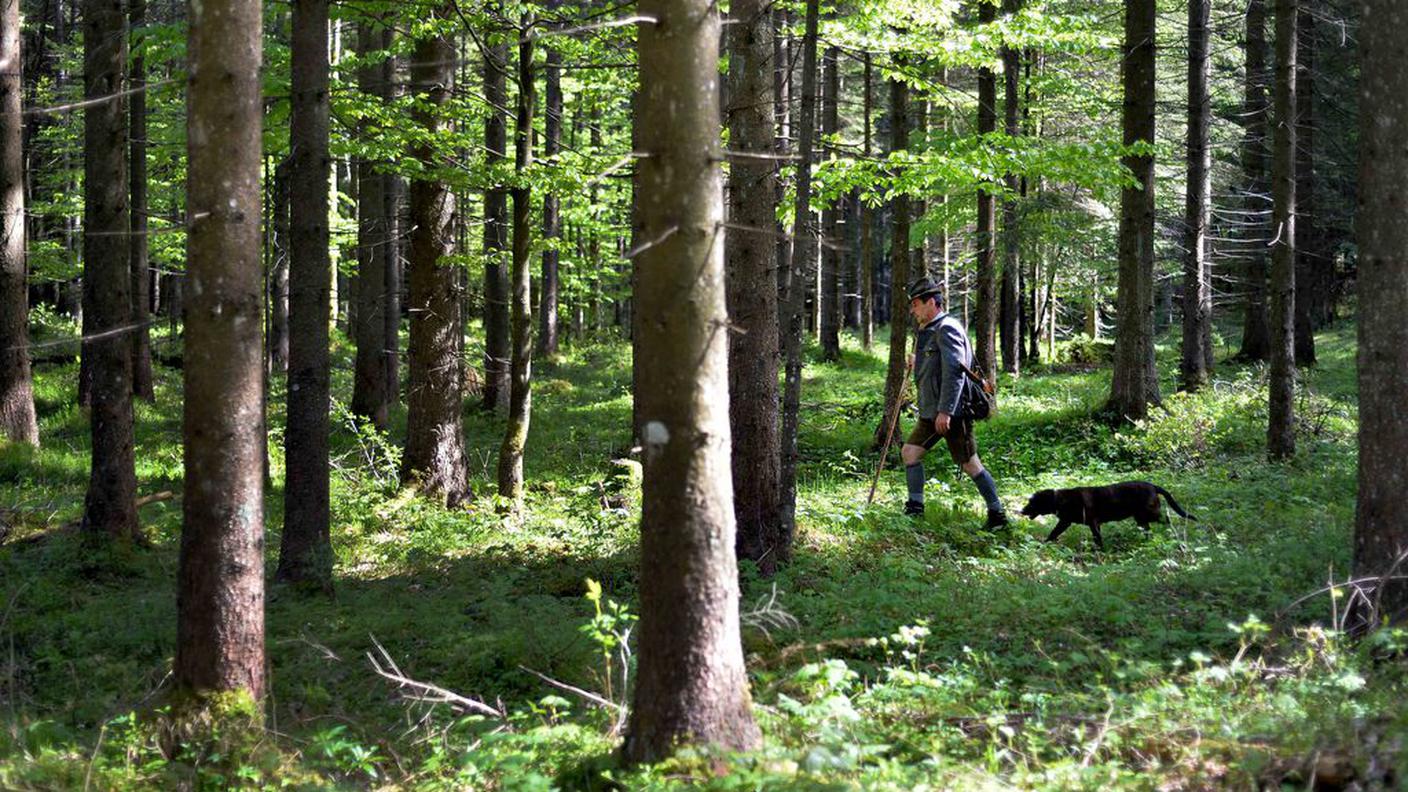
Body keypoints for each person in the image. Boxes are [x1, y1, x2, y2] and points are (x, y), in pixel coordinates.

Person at [900, 277, 1008, 527]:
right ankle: (915, 510)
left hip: (952, 413)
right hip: (932, 412)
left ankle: (997, 515)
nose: (913, 310)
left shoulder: (946, 328)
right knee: (910, 452)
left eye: (916, 304)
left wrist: (946, 412)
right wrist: (918, 363)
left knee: (970, 463)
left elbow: (955, 372)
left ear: (932, 303)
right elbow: (938, 364)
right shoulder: (930, 328)